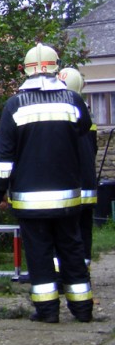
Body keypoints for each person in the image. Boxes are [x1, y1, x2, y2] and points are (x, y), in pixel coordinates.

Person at [0, 44, 93, 323]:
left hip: (30, 200)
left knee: (39, 255)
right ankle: (83, 309)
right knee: (72, 250)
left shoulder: (14, 105)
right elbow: (84, 129)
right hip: (67, 199)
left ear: (26, 70)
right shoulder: (72, 100)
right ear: (56, 68)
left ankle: (48, 311)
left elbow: (4, 158)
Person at [59, 67, 98, 268]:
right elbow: (93, 151)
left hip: (69, 187)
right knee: (84, 232)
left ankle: (63, 274)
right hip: (88, 186)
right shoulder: (87, 116)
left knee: (65, 234)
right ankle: (83, 270)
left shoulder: (60, 117)